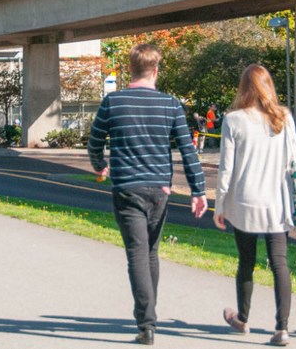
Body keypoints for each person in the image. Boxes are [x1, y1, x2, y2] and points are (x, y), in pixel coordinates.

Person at [87, 44, 208, 345]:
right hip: (160, 190)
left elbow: (94, 141)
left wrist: (101, 165)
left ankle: (146, 324)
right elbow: (188, 152)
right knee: (151, 252)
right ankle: (149, 317)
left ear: (131, 70)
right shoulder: (170, 105)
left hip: (126, 187)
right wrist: (198, 190)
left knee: (137, 253)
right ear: (155, 71)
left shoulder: (112, 102)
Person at [214, 65, 295, 347]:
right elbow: (292, 161)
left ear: (243, 88)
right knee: (279, 263)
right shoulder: (283, 118)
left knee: (246, 262)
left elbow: (226, 168)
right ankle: (282, 328)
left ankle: (243, 318)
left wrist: (219, 204)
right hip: (276, 201)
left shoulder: (233, 120)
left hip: (244, 202)